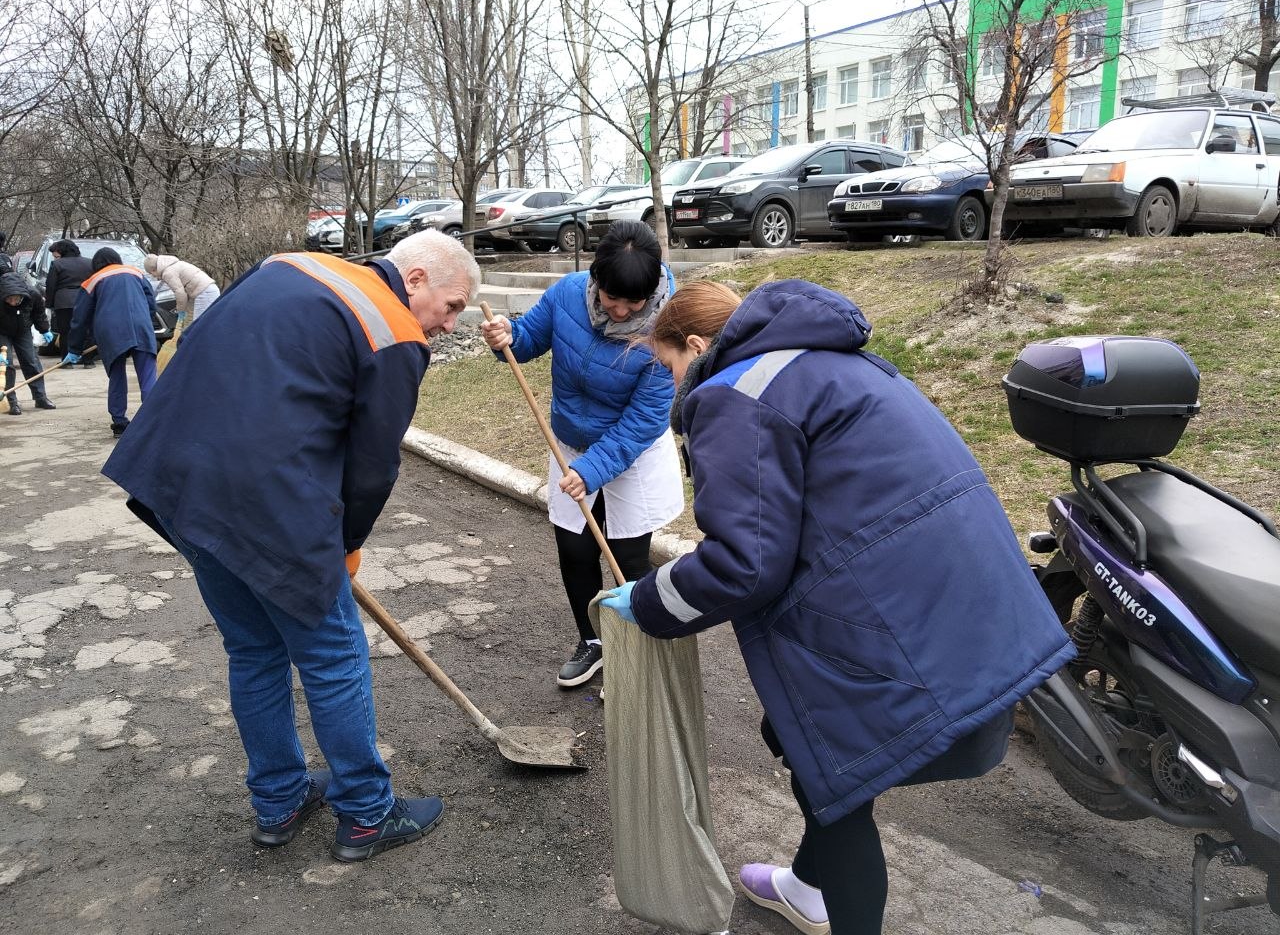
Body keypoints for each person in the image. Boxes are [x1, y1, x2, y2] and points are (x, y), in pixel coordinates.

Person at [600, 280, 1074, 935]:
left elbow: (745, 564)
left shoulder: (734, 393)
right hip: (981, 625)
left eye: (668, 365)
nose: (671, 383)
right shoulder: (829, 362)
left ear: (699, 346)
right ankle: (807, 885)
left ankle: (830, 905)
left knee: (828, 774)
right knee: (802, 743)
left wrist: (650, 599)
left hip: (913, 637)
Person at [101, 231, 481, 862]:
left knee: (253, 649)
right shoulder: (392, 332)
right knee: (333, 655)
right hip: (265, 504)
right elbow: (371, 468)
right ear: (414, 279)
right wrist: (345, 546)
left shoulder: (289, 265)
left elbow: (200, 343)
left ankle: (278, 801)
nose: (449, 324)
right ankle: (366, 811)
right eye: (451, 306)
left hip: (183, 483)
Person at [480, 220, 683, 688]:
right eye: (612, 298)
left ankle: (639, 650)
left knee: (628, 557)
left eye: (632, 303)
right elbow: (530, 338)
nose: (620, 310)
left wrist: (591, 471)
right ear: (594, 279)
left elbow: (641, 423)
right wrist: (508, 336)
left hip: (629, 452)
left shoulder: (667, 329)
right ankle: (593, 642)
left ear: (651, 291)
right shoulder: (569, 293)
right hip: (570, 442)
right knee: (574, 548)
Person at [64, 248, 158, 437]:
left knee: (117, 376)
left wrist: (74, 348)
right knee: (147, 375)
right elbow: (151, 304)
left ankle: (120, 423)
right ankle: (154, 421)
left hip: (111, 331)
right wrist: (145, 322)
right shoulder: (136, 273)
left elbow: (79, 318)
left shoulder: (92, 281)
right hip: (141, 326)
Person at [0, 268, 56, 415]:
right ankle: (10, 402)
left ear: (22, 296)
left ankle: (40, 397)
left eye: (16, 299)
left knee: (31, 361)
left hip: (23, 330)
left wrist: (45, 330)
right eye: (9, 300)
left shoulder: (33, 295)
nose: (13, 303)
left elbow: (39, 314)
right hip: (1, 332)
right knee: (7, 365)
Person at [45, 240, 96, 364]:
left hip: (64, 302)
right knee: (87, 330)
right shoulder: (89, 263)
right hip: (85, 300)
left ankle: (66, 361)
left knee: (65, 332)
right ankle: (88, 361)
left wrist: (49, 304)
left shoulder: (57, 265)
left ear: (62, 251)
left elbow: (51, 285)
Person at [143, 253, 221, 325]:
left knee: (199, 326)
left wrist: (180, 313)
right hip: (208, 290)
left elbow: (180, 294)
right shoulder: (173, 265)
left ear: (153, 269)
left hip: (205, 293)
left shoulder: (168, 273)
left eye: (151, 273)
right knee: (199, 324)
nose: (153, 276)